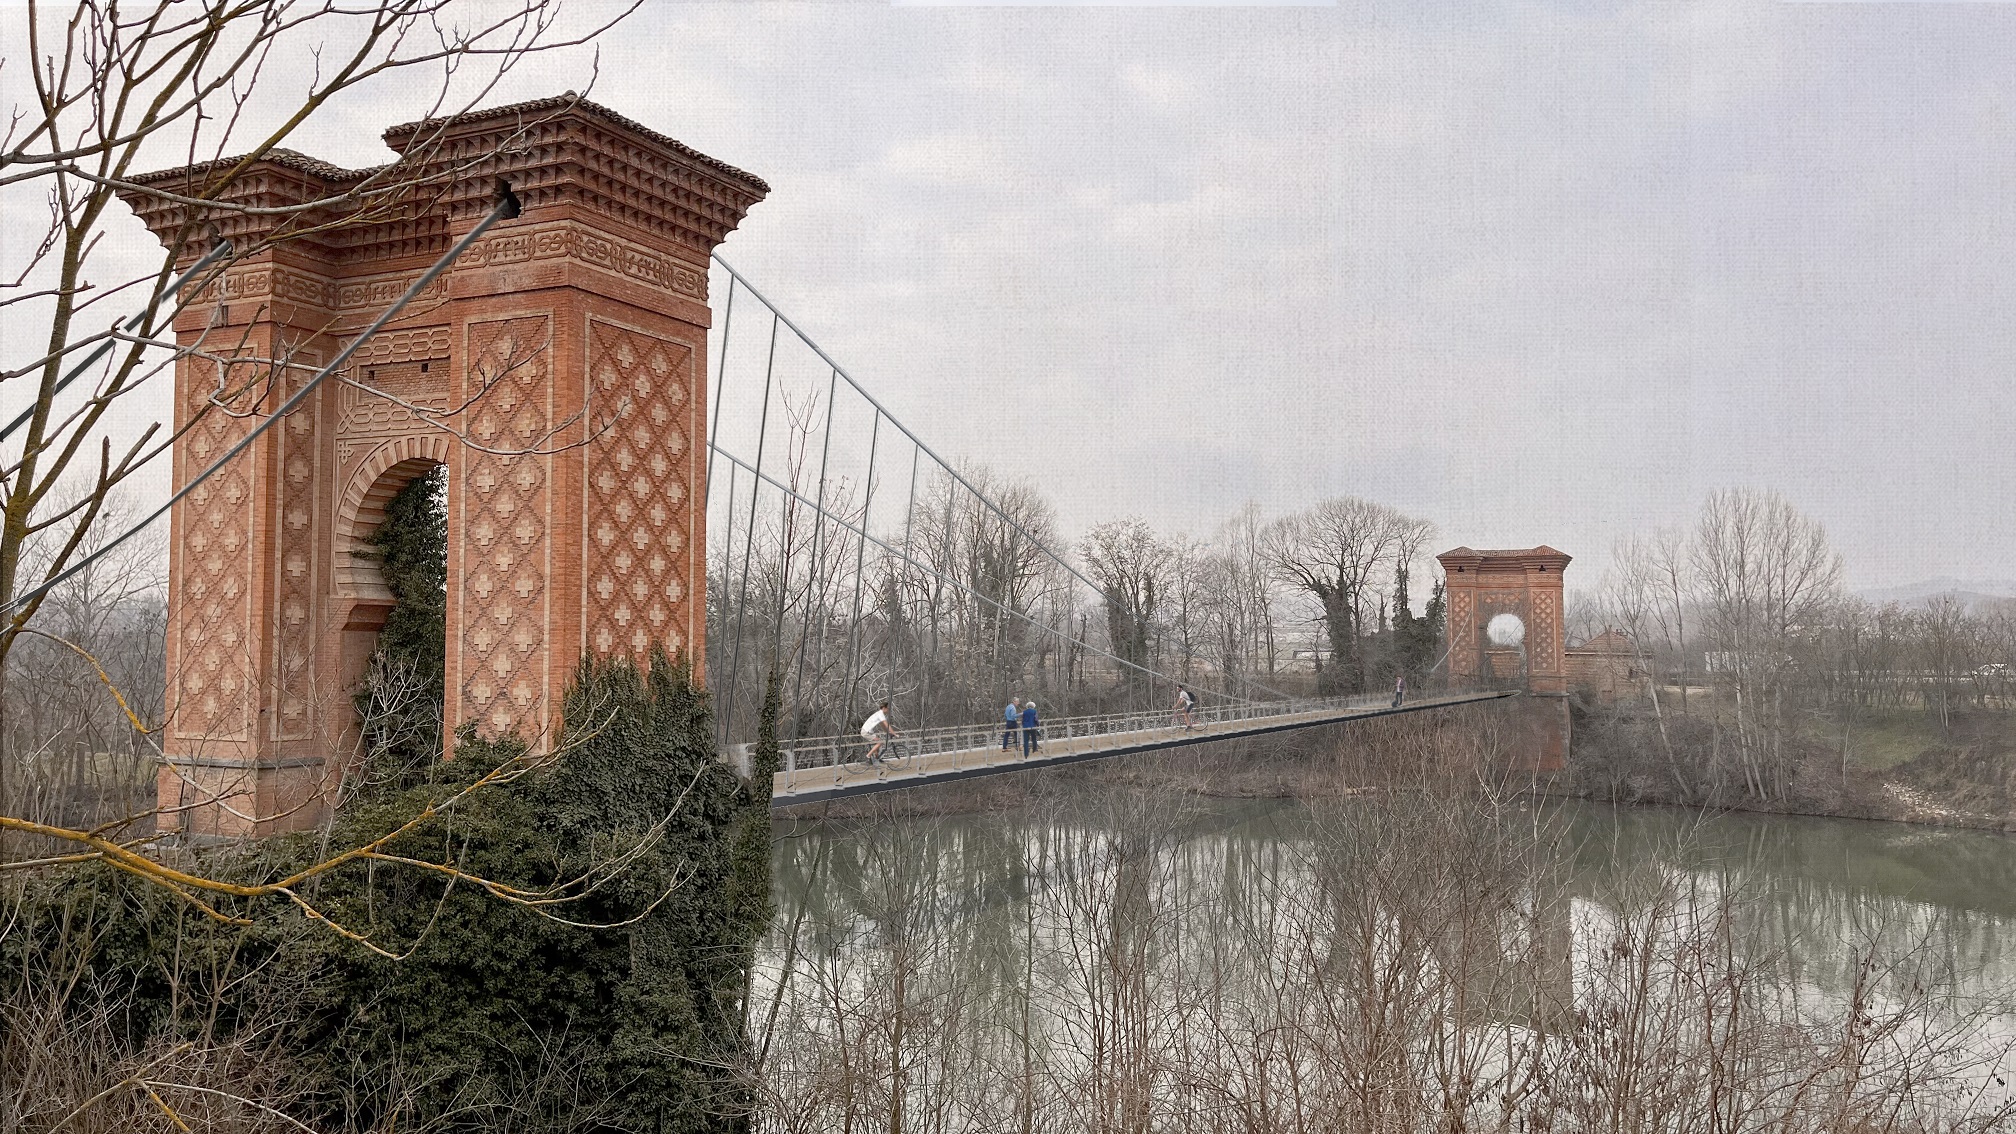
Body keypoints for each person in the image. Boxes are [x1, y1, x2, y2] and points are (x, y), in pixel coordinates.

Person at [860, 701, 899, 765]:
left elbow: (883, 726)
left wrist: (888, 733)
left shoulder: (879, 714)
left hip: (868, 731)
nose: (888, 709)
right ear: (884, 708)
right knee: (880, 742)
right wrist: (894, 734)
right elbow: (887, 725)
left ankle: (877, 758)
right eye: (888, 708)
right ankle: (868, 756)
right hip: (866, 732)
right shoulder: (880, 714)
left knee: (878, 742)